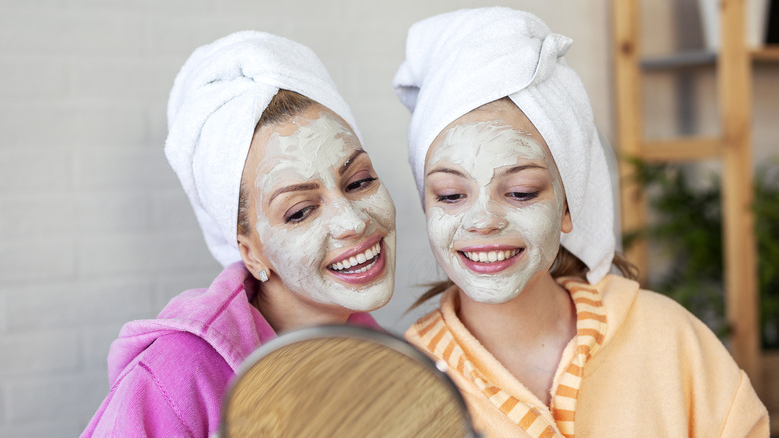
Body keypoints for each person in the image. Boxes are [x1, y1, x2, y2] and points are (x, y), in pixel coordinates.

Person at [393, 7, 768, 438]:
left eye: (520, 192)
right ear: (427, 207)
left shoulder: (671, 339)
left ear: (569, 206)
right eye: (452, 196)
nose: (482, 221)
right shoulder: (402, 382)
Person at [82, 31, 396, 437]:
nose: (352, 221)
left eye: (359, 182)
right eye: (300, 211)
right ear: (251, 253)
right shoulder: (176, 377)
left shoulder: (391, 362)